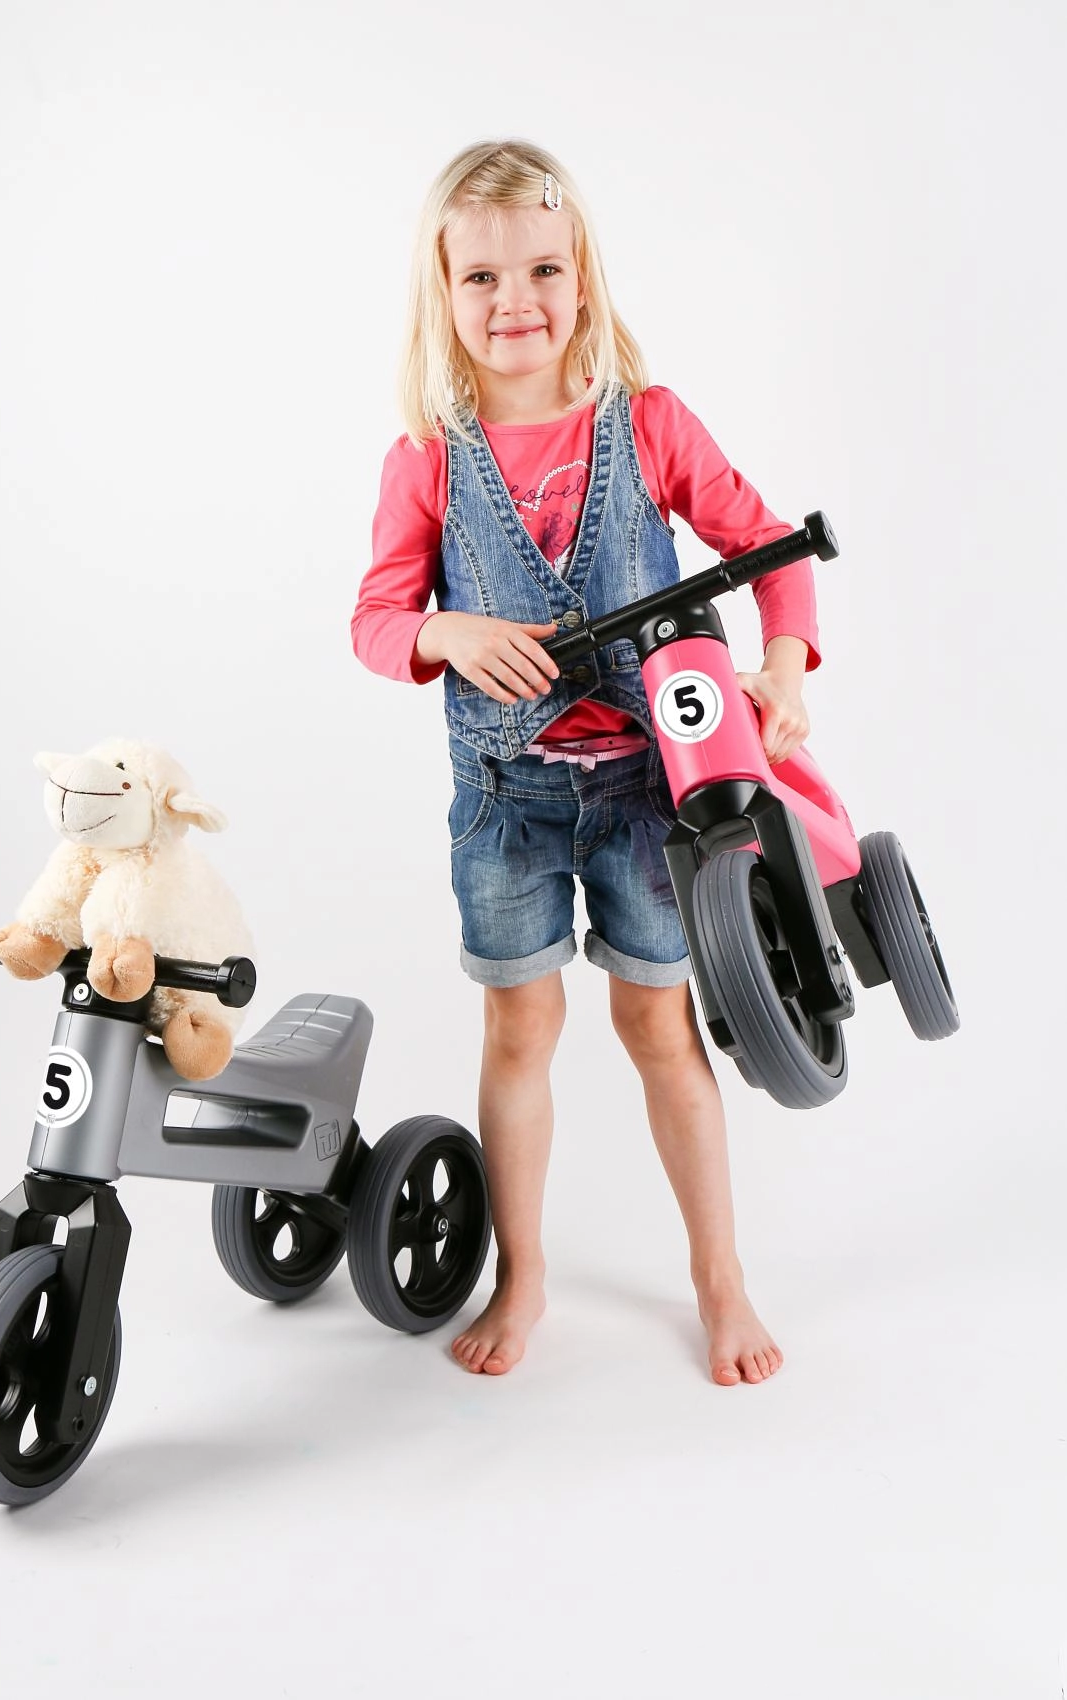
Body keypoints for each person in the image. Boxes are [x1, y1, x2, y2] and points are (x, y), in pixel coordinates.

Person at [350, 139, 820, 1385]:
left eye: (542, 270)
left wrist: (781, 668)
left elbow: (769, 546)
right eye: (480, 278)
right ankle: (523, 1275)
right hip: (504, 802)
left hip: (646, 798)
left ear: (583, 276)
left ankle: (719, 1279)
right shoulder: (427, 456)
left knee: (660, 1024)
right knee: (519, 1027)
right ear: (441, 295)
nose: (515, 301)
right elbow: (376, 619)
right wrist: (443, 631)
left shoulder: (647, 425)